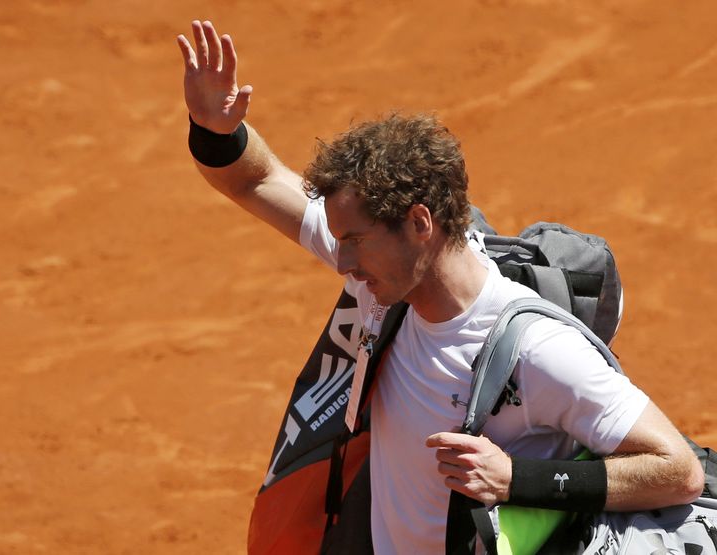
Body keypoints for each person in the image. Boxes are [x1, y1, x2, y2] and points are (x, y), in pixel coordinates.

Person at [176, 20, 705, 553]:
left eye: (356, 241)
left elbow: (677, 470)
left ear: (419, 223)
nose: (342, 263)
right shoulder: (385, 282)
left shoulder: (536, 349)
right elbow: (258, 179)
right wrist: (215, 129)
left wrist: (517, 479)